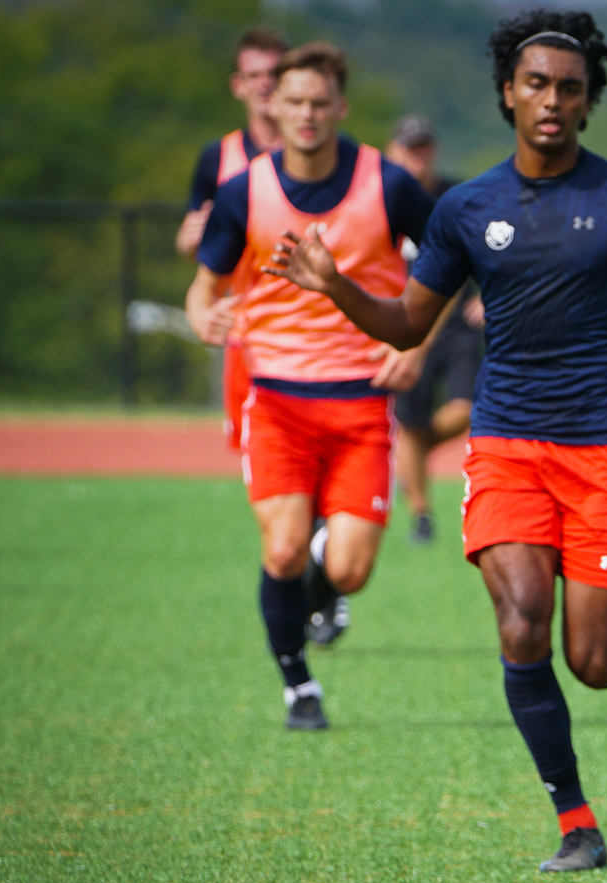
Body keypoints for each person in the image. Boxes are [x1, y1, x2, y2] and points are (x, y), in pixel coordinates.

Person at [264, 10, 607, 872]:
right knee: (520, 622)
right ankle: (577, 824)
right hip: (504, 442)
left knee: (597, 664)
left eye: (568, 88)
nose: (551, 99)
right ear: (508, 92)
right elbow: (405, 323)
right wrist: (333, 284)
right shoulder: (466, 208)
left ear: (587, 102)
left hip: (603, 447)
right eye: (535, 83)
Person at [184, 42, 436, 730]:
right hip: (278, 403)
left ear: (341, 108)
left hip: (361, 403)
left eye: (320, 102)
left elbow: (446, 271)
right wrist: (204, 316)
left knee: (350, 570)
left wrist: (415, 348)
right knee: (284, 548)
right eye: (293, 100)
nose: (306, 113)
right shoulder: (243, 192)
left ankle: (323, 591)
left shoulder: (388, 184)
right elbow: (201, 289)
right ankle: (298, 685)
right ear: (273, 104)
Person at [178, 26, 288, 454]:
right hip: (246, 330)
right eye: (255, 74)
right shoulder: (217, 158)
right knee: (258, 459)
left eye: (275, 73)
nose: (265, 83)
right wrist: (189, 242)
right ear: (237, 85)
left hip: (313, 330)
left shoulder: (322, 159)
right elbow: (198, 247)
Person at [384, 113, 483, 544]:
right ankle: (421, 514)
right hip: (402, 324)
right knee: (407, 420)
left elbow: (488, 251)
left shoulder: (455, 197)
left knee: (464, 410)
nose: (415, 156)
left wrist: (487, 293)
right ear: (392, 152)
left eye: (422, 147)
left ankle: (419, 447)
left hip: (456, 323)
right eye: (408, 148)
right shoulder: (379, 198)